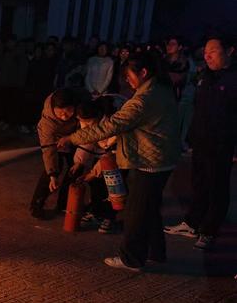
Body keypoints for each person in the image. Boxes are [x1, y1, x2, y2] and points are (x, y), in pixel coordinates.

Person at [58, 52, 180, 270]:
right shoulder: (161, 88)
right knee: (149, 209)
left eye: (129, 74)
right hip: (161, 159)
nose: (127, 79)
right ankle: (156, 252)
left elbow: (110, 127)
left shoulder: (143, 100)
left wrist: (72, 138)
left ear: (143, 72)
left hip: (149, 163)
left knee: (135, 212)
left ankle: (131, 259)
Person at [164, 35, 237, 250]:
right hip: (201, 140)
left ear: (230, 51)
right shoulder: (204, 75)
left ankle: (209, 230)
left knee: (217, 187)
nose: (207, 55)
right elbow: (196, 108)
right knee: (199, 183)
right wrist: (190, 136)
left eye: (213, 50)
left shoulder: (233, 78)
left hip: (222, 143)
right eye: (206, 51)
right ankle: (192, 222)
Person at [29, 88, 79, 219]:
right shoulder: (47, 122)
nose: (63, 116)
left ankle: (64, 205)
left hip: (76, 139)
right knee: (52, 169)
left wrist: (71, 139)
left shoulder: (81, 107)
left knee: (75, 170)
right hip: (55, 141)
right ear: (53, 108)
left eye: (68, 112)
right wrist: (53, 174)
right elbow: (48, 149)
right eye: (59, 113)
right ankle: (36, 205)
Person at [72, 99, 118, 233]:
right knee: (96, 186)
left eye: (88, 122)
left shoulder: (112, 122)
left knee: (112, 187)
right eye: (82, 121)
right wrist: (79, 161)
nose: (85, 125)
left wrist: (93, 173)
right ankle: (96, 213)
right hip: (101, 153)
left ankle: (110, 218)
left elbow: (110, 154)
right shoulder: (86, 120)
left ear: (98, 116)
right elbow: (87, 137)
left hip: (117, 155)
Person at [163, 36, 189, 101]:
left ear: (179, 47)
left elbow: (177, 79)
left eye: (173, 44)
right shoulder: (163, 60)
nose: (169, 46)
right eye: (169, 44)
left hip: (173, 97)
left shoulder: (183, 62)